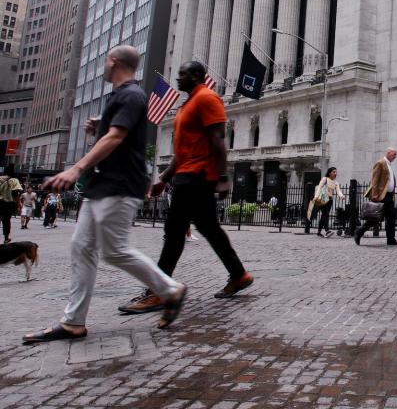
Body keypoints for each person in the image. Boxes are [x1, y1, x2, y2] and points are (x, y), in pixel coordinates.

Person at [23, 45, 186, 343]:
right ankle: (73, 321)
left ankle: (169, 290)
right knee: (82, 247)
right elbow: (113, 133)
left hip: (119, 185)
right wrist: (98, 128)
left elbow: (117, 136)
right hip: (103, 184)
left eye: (105, 60)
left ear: (113, 62)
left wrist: (76, 168)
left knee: (115, 250)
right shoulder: (121, 97)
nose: (103, 65)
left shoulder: (131, 95)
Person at [120, 61, 253, 315]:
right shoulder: (189, 104)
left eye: (182, 75)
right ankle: (239, 275)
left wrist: (224, 176)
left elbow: (218, 139)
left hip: (196, 177)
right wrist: (164, 178)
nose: (177, 79)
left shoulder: (207, 99)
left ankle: (159, 291)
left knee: (174, 233)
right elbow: (183, 150)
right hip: (186, 175)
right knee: (209, 230)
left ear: (196, 76)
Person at [355, 148, 397, 246]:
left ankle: (391, 239)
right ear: (388, 153)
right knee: (374, 218)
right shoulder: (380, 163)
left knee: (391, 217)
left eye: (396, 154)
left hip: (388, 196)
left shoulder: (389, 165)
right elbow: (374, 180)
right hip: (381, 196)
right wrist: (375, 194)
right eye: (394, 154)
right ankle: (359, 232)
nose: (395, 156)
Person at [307, 167, 344, 237]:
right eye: (333, 172)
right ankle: (327, 230)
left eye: (336, 172)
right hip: (323, 198)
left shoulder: (336, 182)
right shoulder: (325, 179)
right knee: (325, 214)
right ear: (329, 173)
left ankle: (319, 232)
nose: (335, 173)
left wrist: (341, 196)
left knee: (324, 215)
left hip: (330, 200)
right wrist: (316, 196)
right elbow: (320, 187)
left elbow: (338, 191)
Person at [0, 168, 23, 243]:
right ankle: (6, 238)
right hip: (8, 204)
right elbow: (16, 194)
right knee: (6, 220)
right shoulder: (14, 180)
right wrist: (19, 205)